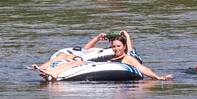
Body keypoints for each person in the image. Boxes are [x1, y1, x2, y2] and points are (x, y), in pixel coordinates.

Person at [33, 31, 171, 80]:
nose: (116, 49)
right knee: (71, 58)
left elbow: (143, 69)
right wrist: (98, 37)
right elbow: (84, 50)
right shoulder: (107, 54)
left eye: (118, 46)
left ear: (124, 47)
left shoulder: (128, 57)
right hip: (99, 65)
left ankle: (54, 74)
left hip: (117, 70)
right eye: (114, 46)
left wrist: (158, 77)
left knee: (79, 62)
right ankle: (45, 69)